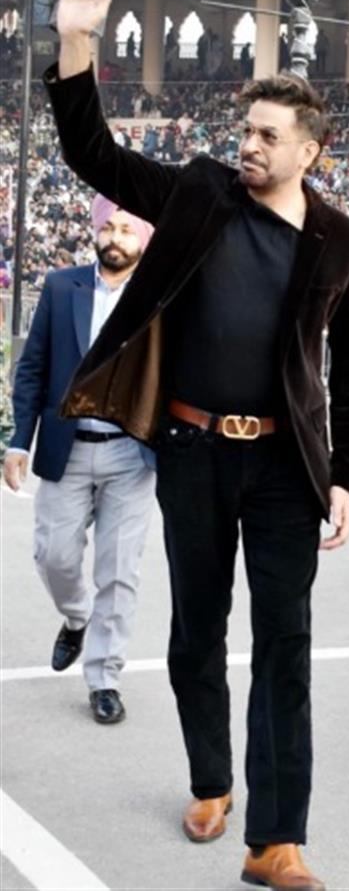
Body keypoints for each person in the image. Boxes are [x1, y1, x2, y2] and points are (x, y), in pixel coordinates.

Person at [46, 0, 349, 891]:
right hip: (191, 449)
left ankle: (276, 839)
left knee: (285, 645)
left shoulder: (343, 241)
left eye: (270, 135)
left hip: (282, 469)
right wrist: (75, 43)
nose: (251, 145)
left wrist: (345, 475)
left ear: (310, 151)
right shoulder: (199, 193)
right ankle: (209, 779)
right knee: (197, 632)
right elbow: (94, 154)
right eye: (248, 130)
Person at [3, 195, 156, 724]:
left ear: (144, 239)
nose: (115, 238)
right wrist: (19, 441)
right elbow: (32, 368)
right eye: (108, 227)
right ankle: (77, 618)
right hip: (65, 449)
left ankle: (105, 678)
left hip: (130, 456)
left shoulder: (160, 295)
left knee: (119, 572)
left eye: (127, 230)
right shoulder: (60, 286)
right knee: (54, 556)